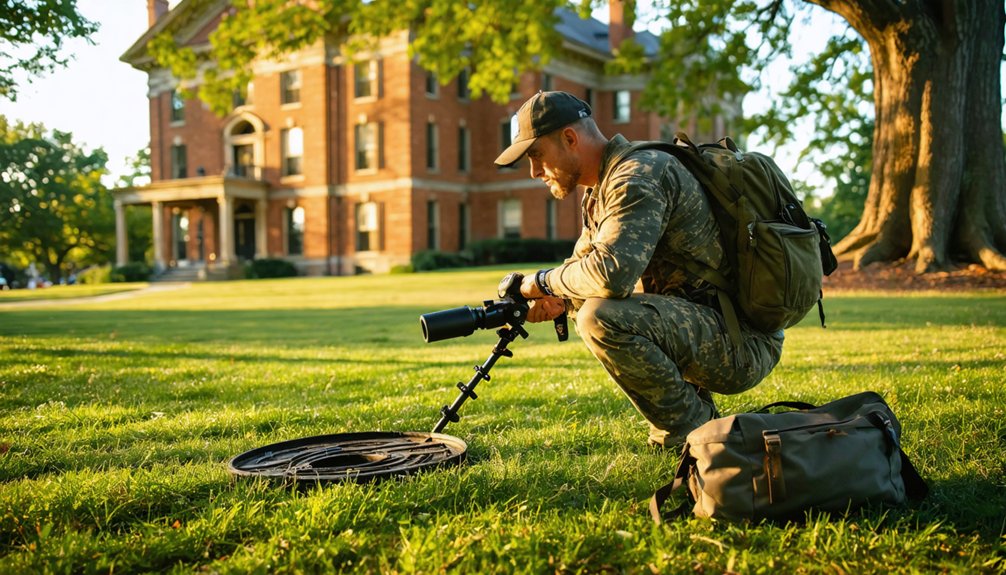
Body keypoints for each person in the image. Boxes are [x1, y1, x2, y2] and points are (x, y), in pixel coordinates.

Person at [495, 91, 785, 447]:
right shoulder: (603, 188)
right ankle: (702, 422)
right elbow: (579, 270)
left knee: (599, 318)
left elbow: (609, 274)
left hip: (744, 342)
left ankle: (693, 434)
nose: (534, 172)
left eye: (536, 155)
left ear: (570, 138)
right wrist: (558, 299)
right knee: (586, 306)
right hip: (717, 328)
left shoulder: (638, 174)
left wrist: (540, 282)